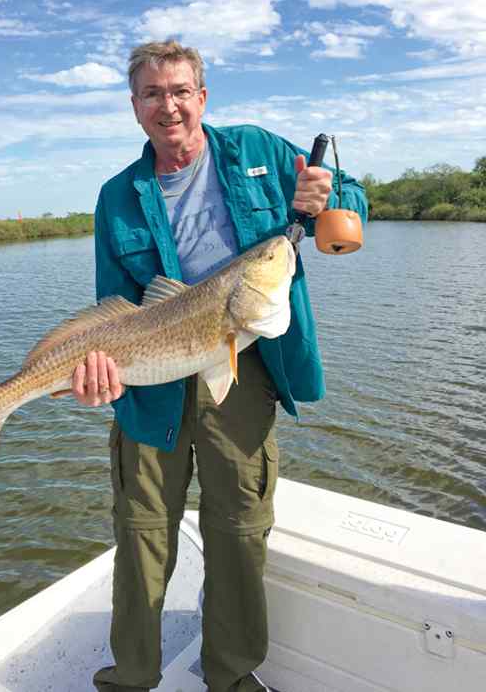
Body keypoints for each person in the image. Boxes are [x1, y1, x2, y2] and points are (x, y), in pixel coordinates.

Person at [71, 40, 368, 692]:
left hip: (244, 361)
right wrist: (98, 371)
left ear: (202, 97)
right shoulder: (116, 197)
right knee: (142, 532)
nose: (168, 105)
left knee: (239, 529)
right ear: (134, 107)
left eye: (180, 90)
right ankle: (132, 677)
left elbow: (348, 198)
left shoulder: (259, 151)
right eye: (152, 93)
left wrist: (329, 201)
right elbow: (110, 308)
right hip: (149, 380)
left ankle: (232, 677)